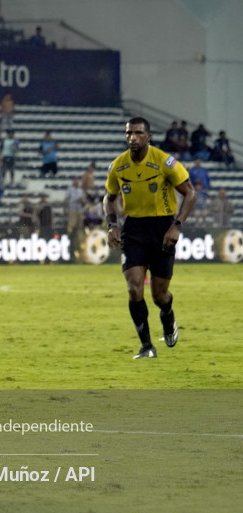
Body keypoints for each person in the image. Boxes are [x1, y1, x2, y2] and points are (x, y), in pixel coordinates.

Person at [104, 117, 196, 359]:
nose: (132, 137)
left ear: (148, 136)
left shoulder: (164, 161)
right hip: (133, 229)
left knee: (159, 295)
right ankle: (146, 346)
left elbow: (190, 193)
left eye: (138, 133)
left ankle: (167, 315)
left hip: (162, 228)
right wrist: (112, 225)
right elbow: (109, 197)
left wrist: (176, 226)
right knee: (134, 288)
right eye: (129, 133)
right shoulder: (118, 166)